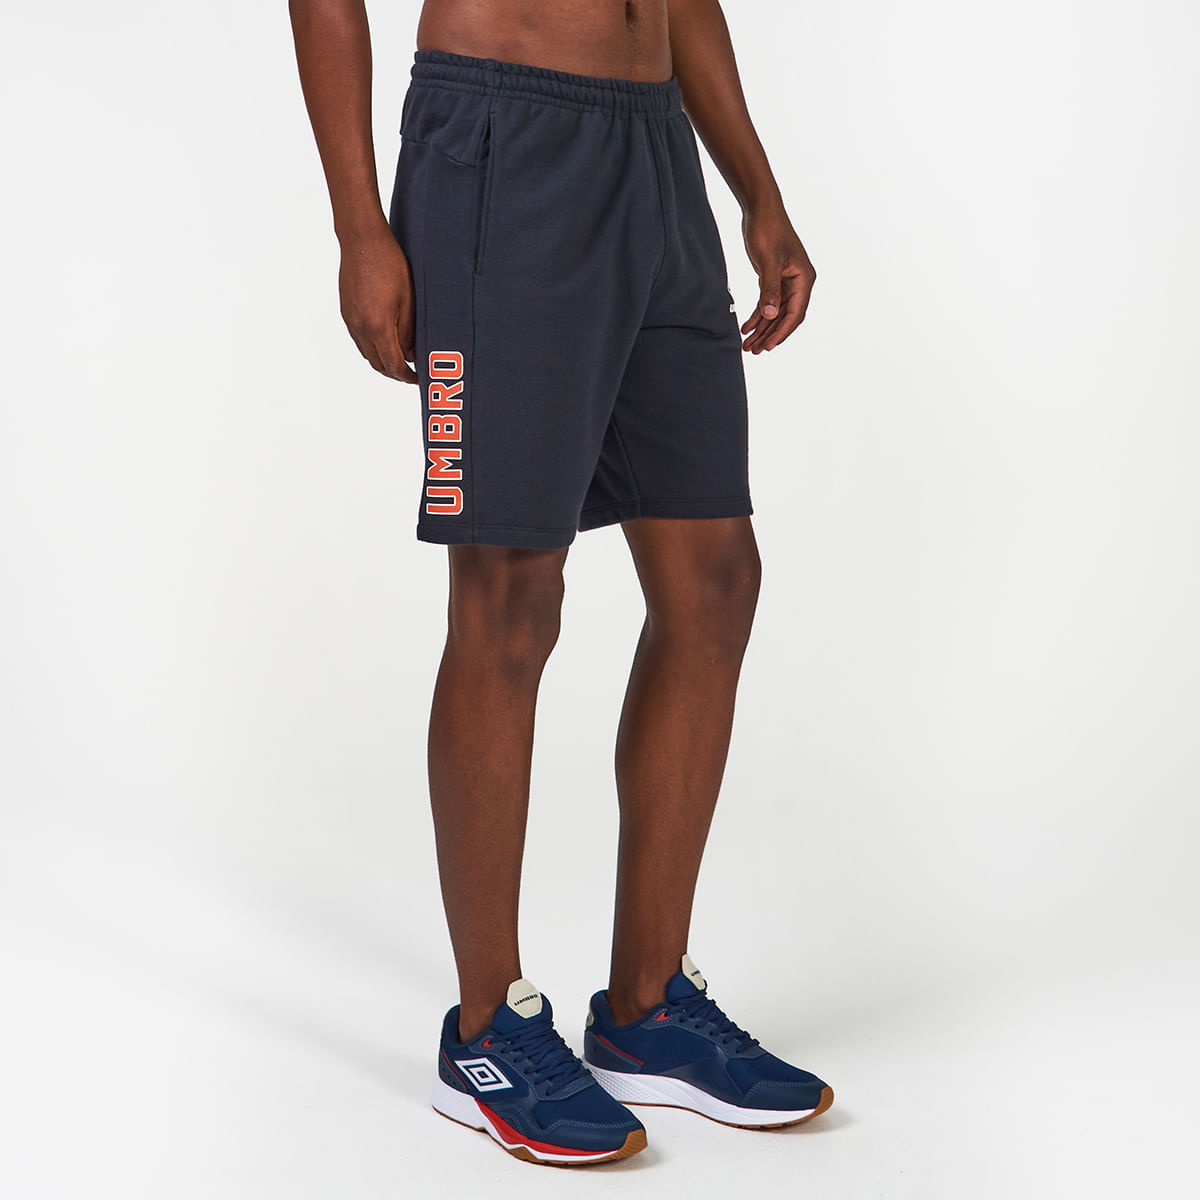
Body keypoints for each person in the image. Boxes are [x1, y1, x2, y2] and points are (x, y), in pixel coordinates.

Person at [288, 0, 832, 1165]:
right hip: (501, 144)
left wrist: (758, 190)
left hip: (655, 151)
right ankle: (487, 1028)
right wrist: (358, 227)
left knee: (715, 578)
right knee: (510, 597)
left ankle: (646, 1007)